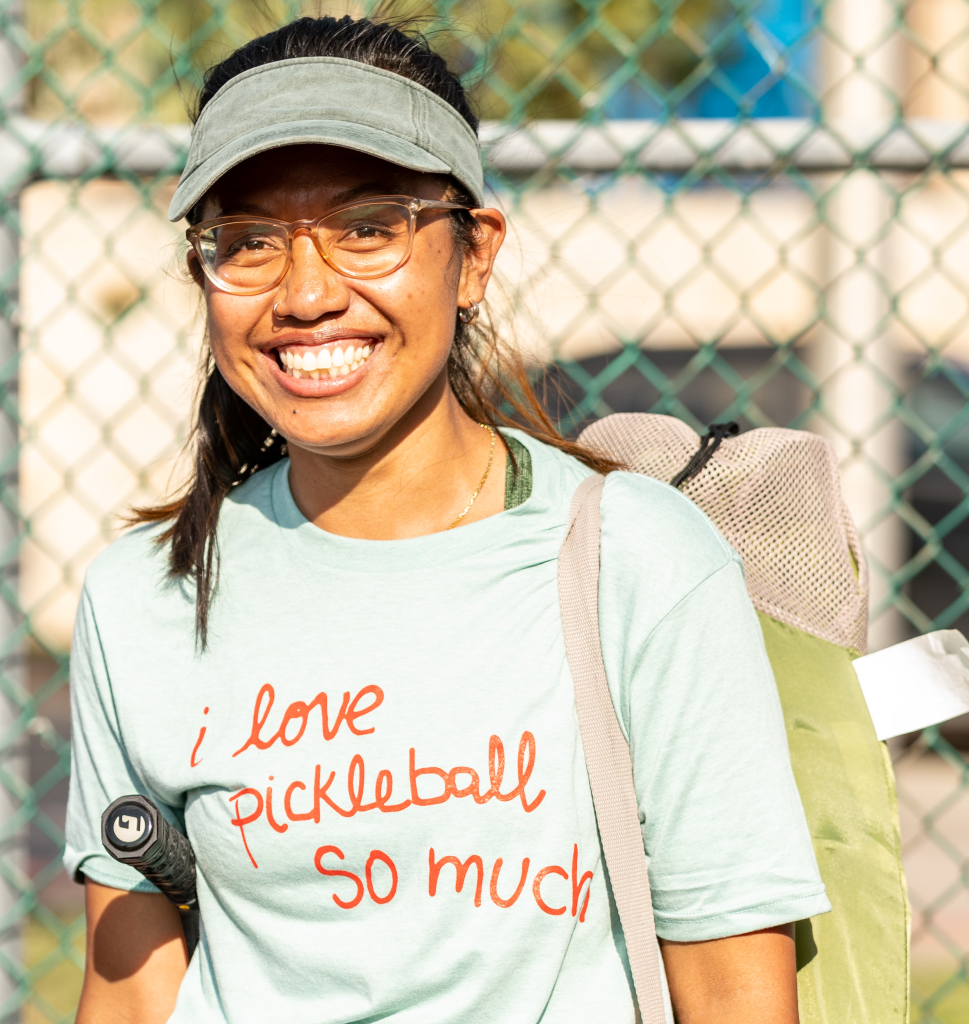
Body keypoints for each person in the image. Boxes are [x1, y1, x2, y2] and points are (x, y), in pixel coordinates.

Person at [63, 14, 831, 1024]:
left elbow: (734, 993)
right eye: (246, 242)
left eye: (368, 227)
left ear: (474, 256)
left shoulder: (633, 560)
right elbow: (128, 998)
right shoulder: (145, 595)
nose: (304, 292)